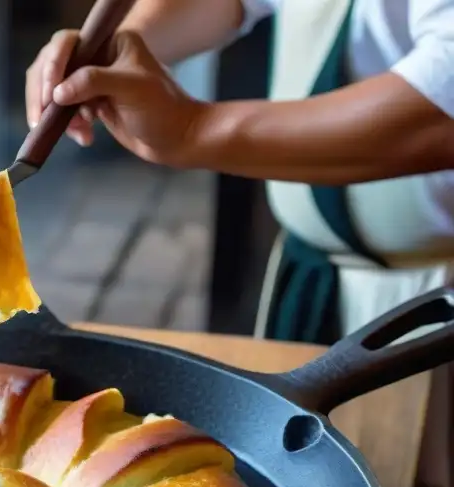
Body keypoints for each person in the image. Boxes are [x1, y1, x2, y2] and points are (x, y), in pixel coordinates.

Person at [25, 0, 454, 343]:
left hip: (435, 300)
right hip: (316, 280)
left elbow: (443, 103)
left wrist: (193, 129)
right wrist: (121, 48)